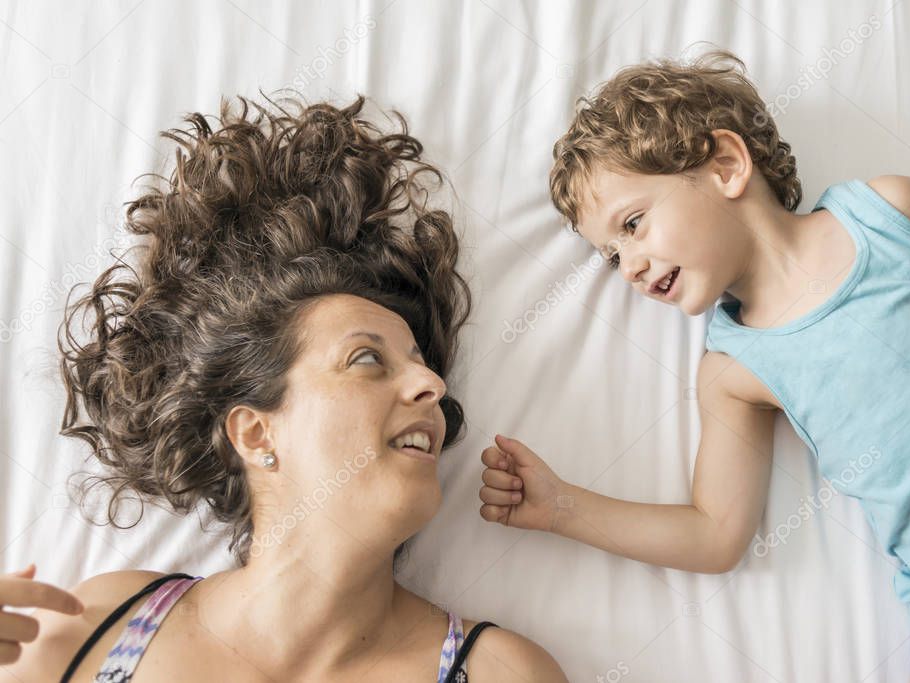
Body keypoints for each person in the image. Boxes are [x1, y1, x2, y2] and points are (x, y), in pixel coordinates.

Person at [477, 48, 910, 682]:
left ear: (727, 165)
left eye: (633, 224)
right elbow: (716, 533)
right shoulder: (734, 371)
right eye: (610, 256)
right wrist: (561, 507)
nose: (627, 266)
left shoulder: (893, 213)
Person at [2, 96, 566, 682]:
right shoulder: (95, 627)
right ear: (255, 432)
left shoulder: (502, 672)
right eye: (367, 358)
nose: (430, 384)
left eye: (423, 365)